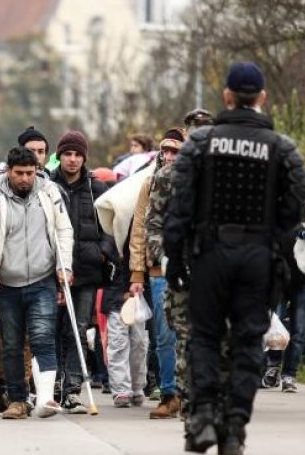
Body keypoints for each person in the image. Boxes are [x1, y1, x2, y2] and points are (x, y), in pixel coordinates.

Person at [164, 62, 305, 455]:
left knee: (205, 337)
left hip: (210, 254)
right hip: (257, 256)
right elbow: (299, 201)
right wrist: (275, 246)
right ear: (262, 98)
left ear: (227, 96)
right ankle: (235, 428)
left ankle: (204, 414)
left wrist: (174, 258)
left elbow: (179, 205)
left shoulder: (201, 143)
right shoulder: (281, 147)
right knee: (248, 342)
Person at [0, 147, 74, 420]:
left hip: (42, 278)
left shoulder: (49, 192)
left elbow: (64, 230)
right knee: (11, 343)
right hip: (6, 281)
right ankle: (18, 401)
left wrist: (64, 266)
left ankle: (45, 399)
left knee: (43, 337)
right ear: (8, 171)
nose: (24, 179)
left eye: (30, 173)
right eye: (19, 173)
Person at [50, 131, 116, 413]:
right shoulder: (47, 185)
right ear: (60, 155)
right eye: (68, 154)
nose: (73, 160)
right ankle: (51, 383)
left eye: (78, 155)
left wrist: (102, 251)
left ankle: (72, 387)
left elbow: (111, 227)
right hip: (53, 270)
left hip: (87, 270)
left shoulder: (96, 187)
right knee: (51, 328)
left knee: (78, 328)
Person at [128, 128, 185, 419]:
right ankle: (168, 393)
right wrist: (137, 273)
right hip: (158, 268)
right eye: (166, 150)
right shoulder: (150, 184)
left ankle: (190, 393)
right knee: (163, 336)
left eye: (176, 150)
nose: (170, 156)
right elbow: (140, 228)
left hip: (193, 269)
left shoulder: (197, 184)